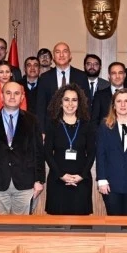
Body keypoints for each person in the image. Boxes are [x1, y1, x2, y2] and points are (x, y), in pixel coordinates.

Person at [0, 82, 45, 214]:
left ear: (22, 97)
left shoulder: (32, 121)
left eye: (16, 93)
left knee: (22, 225)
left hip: (25, 183)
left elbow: (38, 152)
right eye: (8, 93)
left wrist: (39, 180)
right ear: (2, 96)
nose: (12, 96)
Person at [44, 83, 96, 215]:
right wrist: (61, 175)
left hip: (81, 181)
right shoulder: (53, 124)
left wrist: (81, 175)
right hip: (58, 180)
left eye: (74, 100)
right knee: (57, 224)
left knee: (81, 224)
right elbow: (47, 153)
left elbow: (91, 153)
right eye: (66, 99)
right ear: (60, 102)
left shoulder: (87, 125)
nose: (70, 104)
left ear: (79, 103)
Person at [35, 42, 88, 130]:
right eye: (58, 52)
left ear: (70, 56)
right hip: (51, 127)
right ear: (53, 57)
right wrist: (41, 131)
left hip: (76, 127)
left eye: (65, 51)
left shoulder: (81, 76)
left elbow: (86, 105)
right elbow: (40, 107)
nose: (61, 55)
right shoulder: (44, 78)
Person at [91, 62, 126, 126]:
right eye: (114, 73)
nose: (117, 76)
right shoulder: (99, 96)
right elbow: (94, 121)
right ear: (109, 76)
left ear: (124, 75)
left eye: (120, 73)